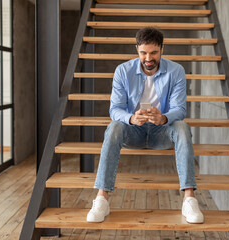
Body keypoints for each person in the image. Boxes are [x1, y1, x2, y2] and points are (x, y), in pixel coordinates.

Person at [86, 27, 204, 224]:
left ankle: (189, 198)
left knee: (182, 126)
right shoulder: (123, 71)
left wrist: (164, 118)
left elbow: (180, 109)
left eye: (153, 53)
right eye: (143, 53)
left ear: (162, 49)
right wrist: (131, 118)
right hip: (133, 131)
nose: (148, 58)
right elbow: (115, 109)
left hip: (162, 131)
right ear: (137, 50)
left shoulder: (176, 71)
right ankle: (101, 199)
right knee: (114, 126)